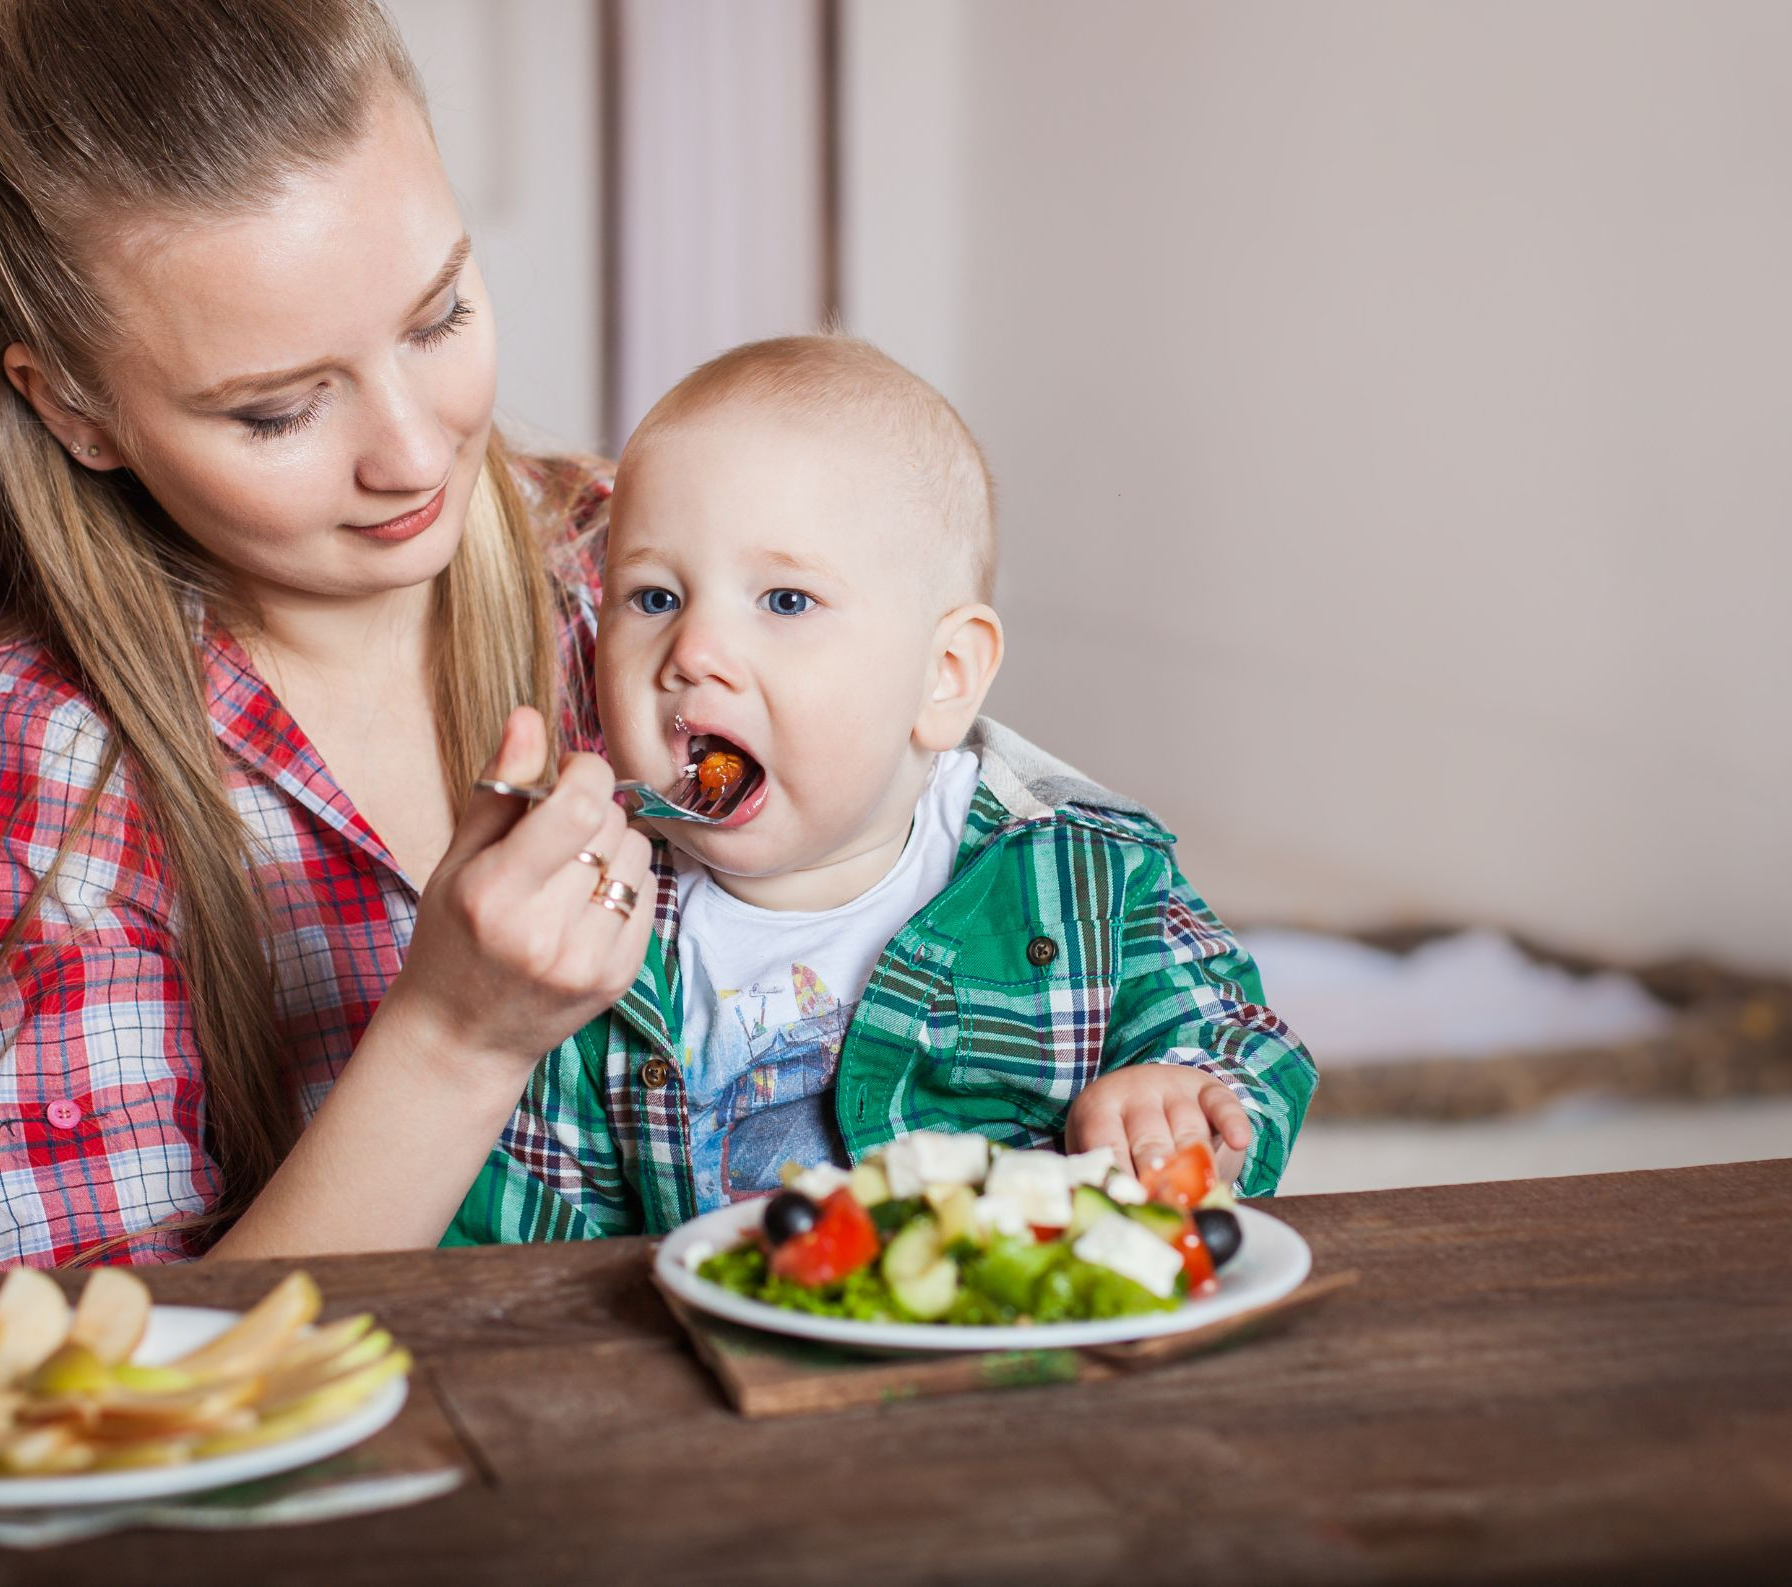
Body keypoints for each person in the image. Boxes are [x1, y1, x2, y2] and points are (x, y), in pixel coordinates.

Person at [0, 0, 659, 1272]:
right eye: (277, 412)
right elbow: (120, 1388)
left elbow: (991, 865)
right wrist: (459, 1038)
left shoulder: (629, 567)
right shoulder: (38, 758)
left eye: (439, 318)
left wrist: (1101, 1067)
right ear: (77, 411)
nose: (411, 455)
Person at [451, 336, 1317, 1240]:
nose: (693, 652)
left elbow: (1240, 1037)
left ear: (942, 675)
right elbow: (525, 1232)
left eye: (784, 601)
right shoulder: (593, 940)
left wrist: (1178, 1102)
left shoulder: (1080, 873)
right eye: (655, 597)